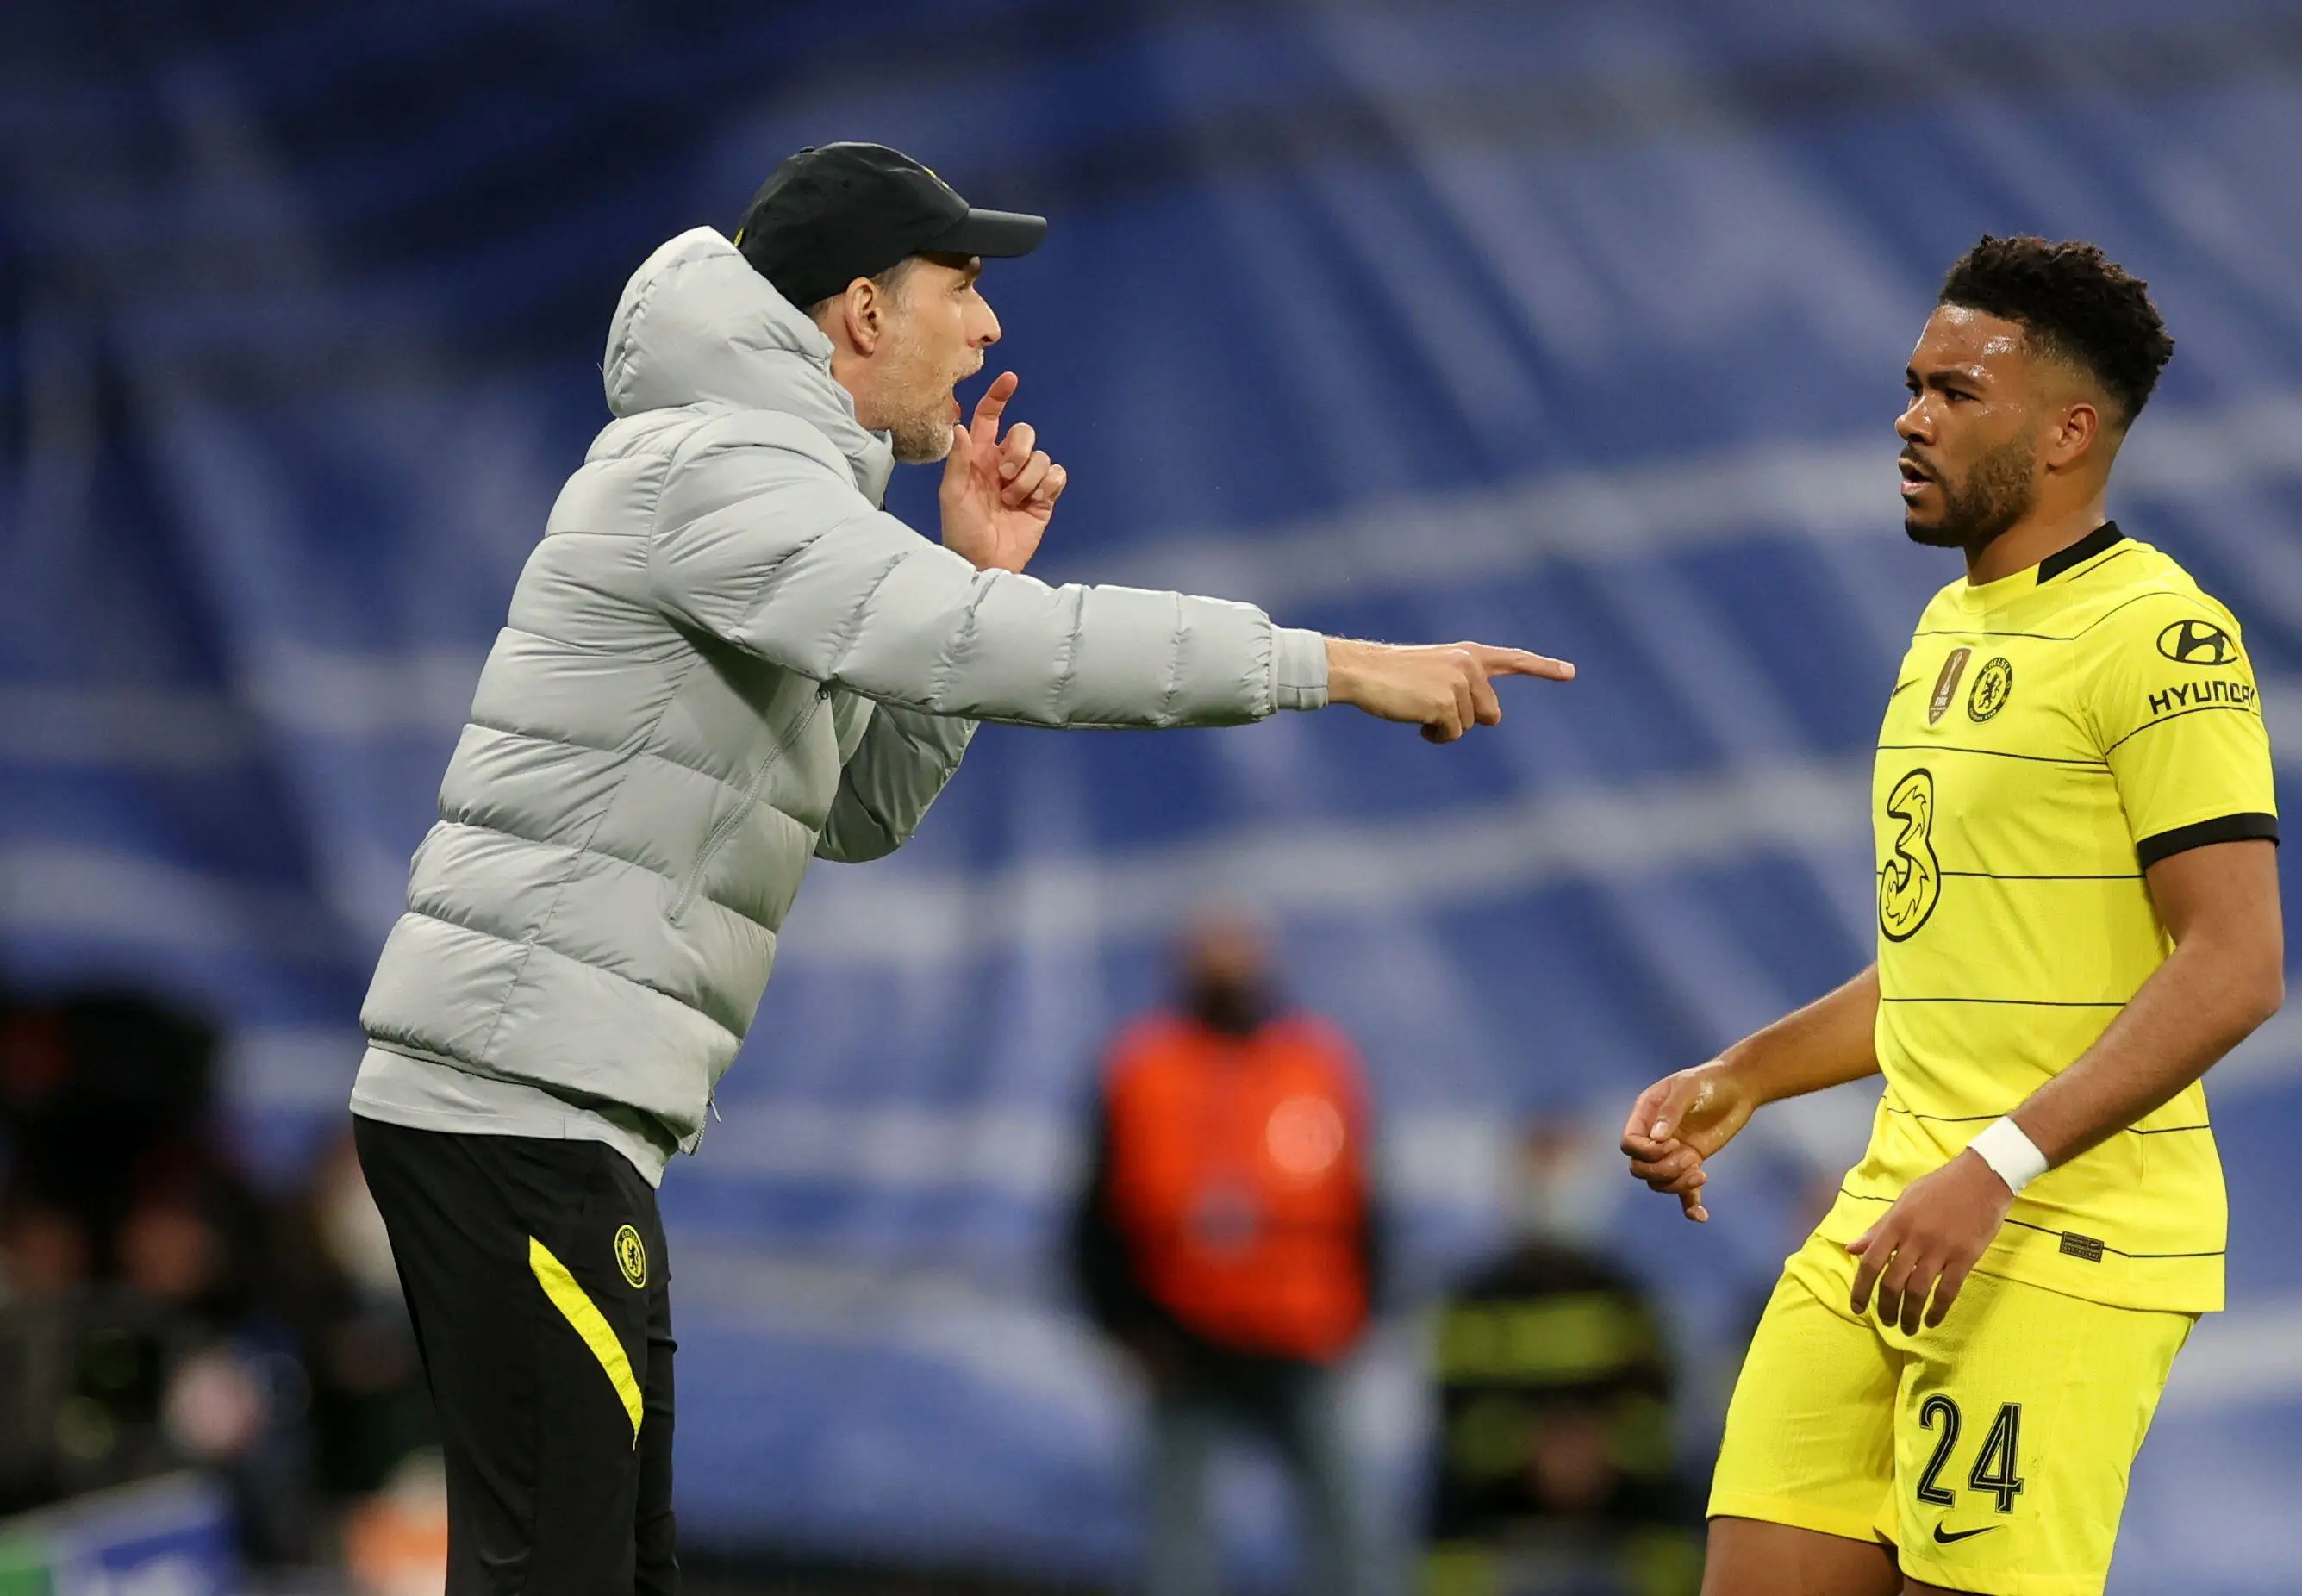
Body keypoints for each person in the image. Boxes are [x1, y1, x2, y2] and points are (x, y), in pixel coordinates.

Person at [346, 140, 1572, 1594]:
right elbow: (1020, 655)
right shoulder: (721, 469)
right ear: (861, 312)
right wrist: (1339, 664)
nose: (986, 324)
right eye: (963, 284)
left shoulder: (775, 492)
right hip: (516, 1110)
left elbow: (858, 806)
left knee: (610, 1571)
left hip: (553, 1114)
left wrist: (977, 578)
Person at [1618, 236, 2284, 1596]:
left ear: (2070, 432)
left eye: (1957, 393)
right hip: (1893, 1214)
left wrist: (1995, 1171)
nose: (1912, 420)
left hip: (2064, 1238)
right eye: (1913, 385)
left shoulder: (2163, 636)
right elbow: (1947, 963)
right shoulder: (1951, 630)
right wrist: (1744, 1075)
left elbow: (2237, 967)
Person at [1071, 914, 1376, 1596]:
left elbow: (1363, 1202)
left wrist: (1359, 1315)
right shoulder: (1142, 1067)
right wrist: (1126, 1325)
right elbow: (1095, 1214)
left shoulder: (1316, 1063)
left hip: (1301, 1334)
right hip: (1182, 1337)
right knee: (1175, 1540)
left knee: (1347, 1524)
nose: (1228, 974)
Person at [1422, 1116, 1702, 1596]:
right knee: (1443, 1504)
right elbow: (1457, 1409)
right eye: (1542, 1174)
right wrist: (1530, 1448)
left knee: (1680, 1504)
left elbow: (1655, 1403)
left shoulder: (1625, 1294)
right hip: (1505, 1479)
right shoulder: (1477, 1297)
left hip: (1611, 1477)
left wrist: (1598, 1451)